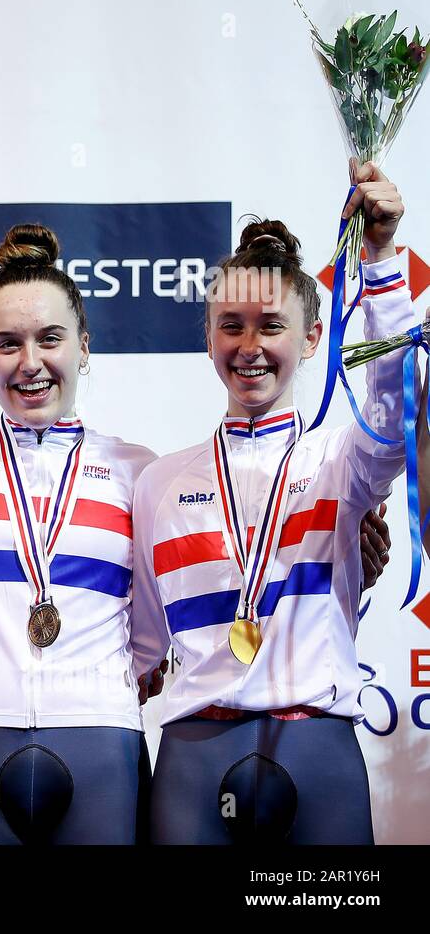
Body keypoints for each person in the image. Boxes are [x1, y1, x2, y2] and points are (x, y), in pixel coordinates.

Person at [130, 161, 410, 844]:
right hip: (194, 757)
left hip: (315, 753)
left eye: (271, 326)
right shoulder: (158, 482)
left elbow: (395, 409)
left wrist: (378, 260)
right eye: (231, 325)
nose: (250, 347)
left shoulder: (342, 460)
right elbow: (135, 647)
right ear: (207, 339)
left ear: (312, 338)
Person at [0, 224, 156, 844]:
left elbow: (154, 616)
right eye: (6, 344)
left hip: (101, 733)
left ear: (84, 345)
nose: (30, 364)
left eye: (50, 339)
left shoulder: (138, 469)